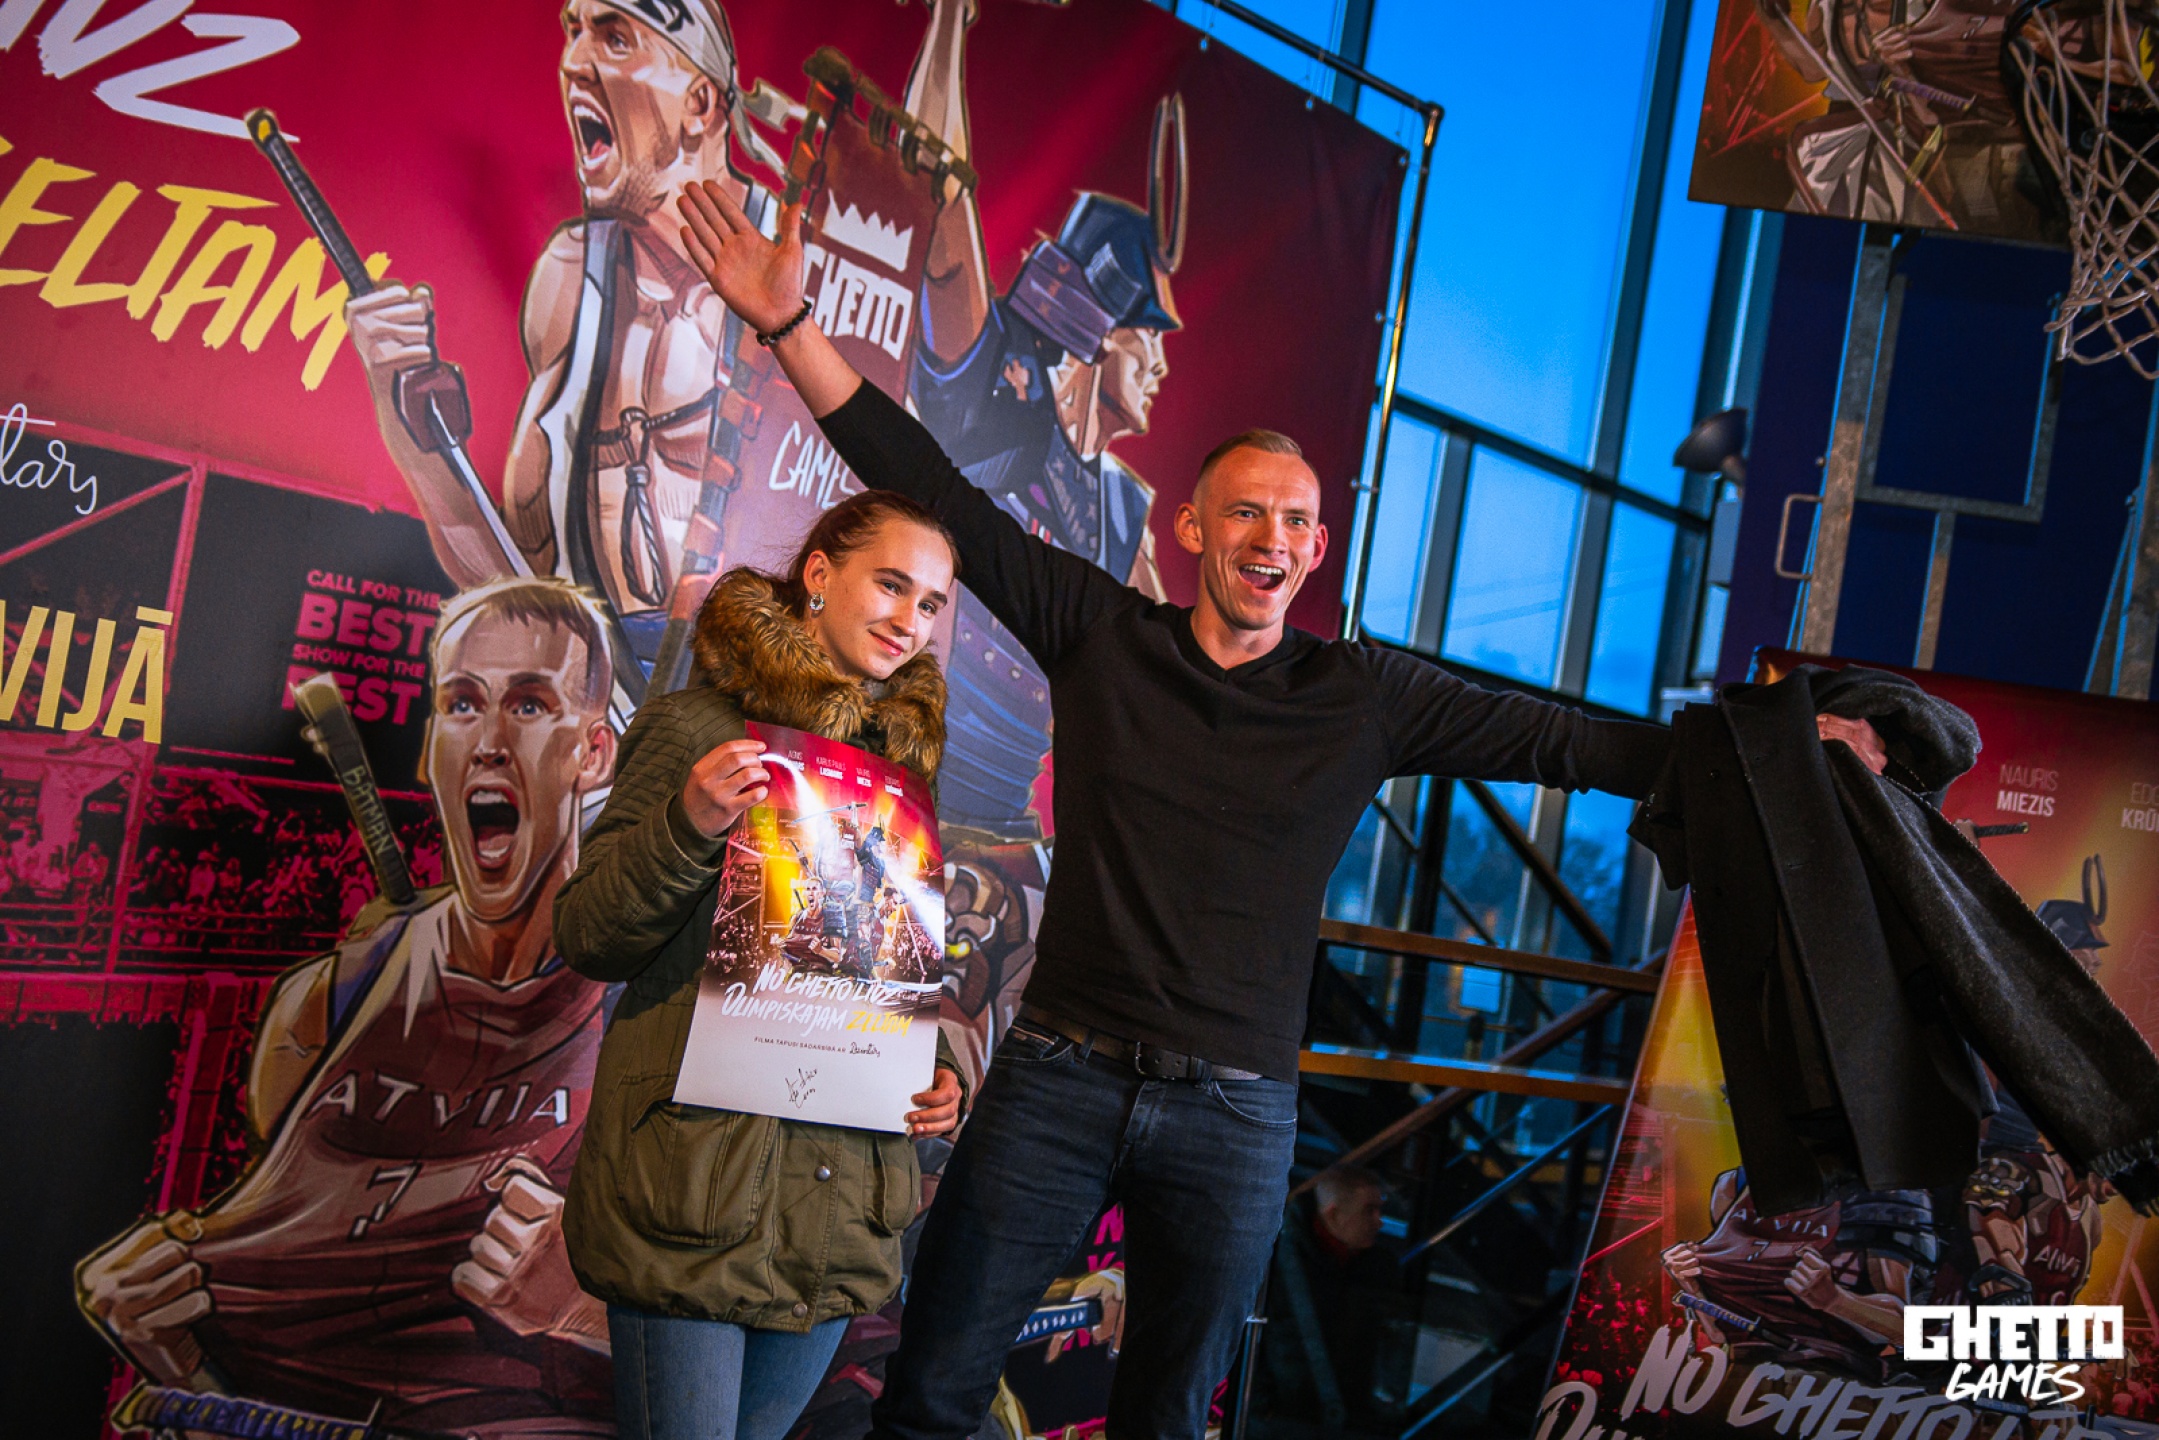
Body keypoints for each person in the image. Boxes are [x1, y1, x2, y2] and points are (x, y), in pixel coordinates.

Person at [677, 178, 1889, 1440]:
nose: (1270, 535)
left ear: (1315, 551)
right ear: (1192, 527)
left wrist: (1785, 751)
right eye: (1245, 510)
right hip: (1056, 1082)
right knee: (929, 1393)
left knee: (1164, 1422)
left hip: (1234, 1115)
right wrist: (787, 324)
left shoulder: (1362, 697)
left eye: (1296, 520)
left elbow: (1570, 741)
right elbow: (935, 489)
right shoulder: (1101, 636)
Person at [76, 576, 623, 1435]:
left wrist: (581, 1306)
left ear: (593, 755)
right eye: (462, 704)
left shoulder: (641, 1006)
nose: (487, 741)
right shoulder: (328, 1004)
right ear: (431, 748)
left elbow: (755, 1335)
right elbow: (286, 1333)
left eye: (528, 704)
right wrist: (172, 1345)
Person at [554, 490, 972, 1440]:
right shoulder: (697, 729)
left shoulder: (903, 776)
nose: (909, 620)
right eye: (890, 585)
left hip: (835, 1210)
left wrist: (932, 1069)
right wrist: (687, 823)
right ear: (819, 574)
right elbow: (588, 936)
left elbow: (872, 971)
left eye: (930, 603)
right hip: (693, 1193)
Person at [899, 0, 1174, 836]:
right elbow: (935, 190)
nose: (1163, 365)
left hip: (1000, 826)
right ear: (1100, 329)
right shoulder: (996, 391)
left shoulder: (1123, 511)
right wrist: (949, 20)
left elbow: (1180, 669)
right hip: (893, 780)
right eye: (1150, 339)